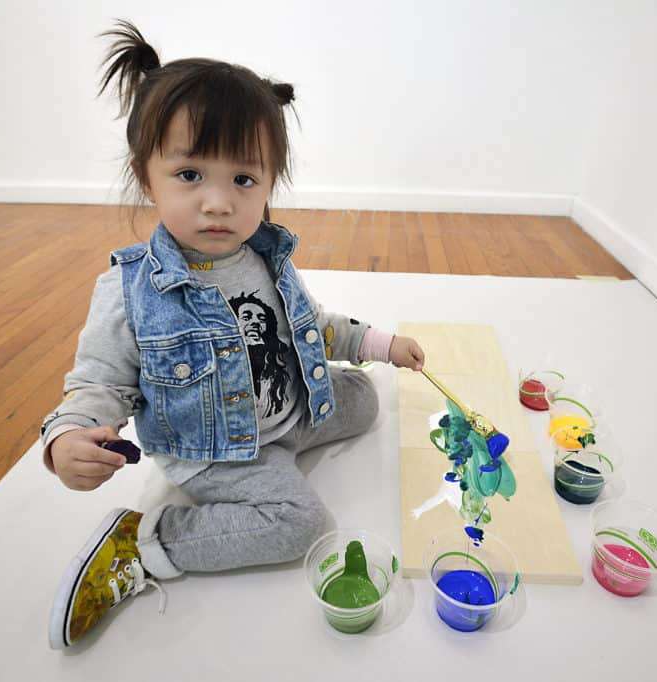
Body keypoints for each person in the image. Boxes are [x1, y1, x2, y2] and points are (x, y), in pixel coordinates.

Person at [41, 20, 425, 649]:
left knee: (364, 400)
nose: (219, 202)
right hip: (221, 451)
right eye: (190, 175)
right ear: (146, 176)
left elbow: (312, 326)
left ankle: (297, 437)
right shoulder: (131, 288)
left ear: (269, 184)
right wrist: (68, 437)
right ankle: (147, 544)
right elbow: (98, 382)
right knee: (302, 524)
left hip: (288, 412)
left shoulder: (266, 257)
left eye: (243, 180)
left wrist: (380, 345)